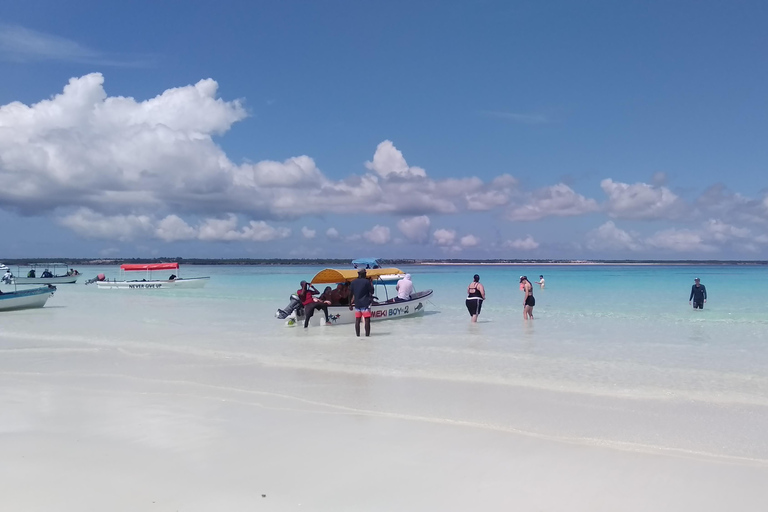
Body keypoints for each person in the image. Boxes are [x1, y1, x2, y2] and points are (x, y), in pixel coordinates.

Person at [349, 269, 375, 337]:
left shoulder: (353, 282)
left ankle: (357, 335)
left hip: (357, 304)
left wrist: (350, 304)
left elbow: (350, 294)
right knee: (367, 320)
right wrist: (371, 282)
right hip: (365, 304)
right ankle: (367, 336)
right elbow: (372, 292)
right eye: (365, 273)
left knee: (357, 320)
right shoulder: (367, 282)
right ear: (363, 274)